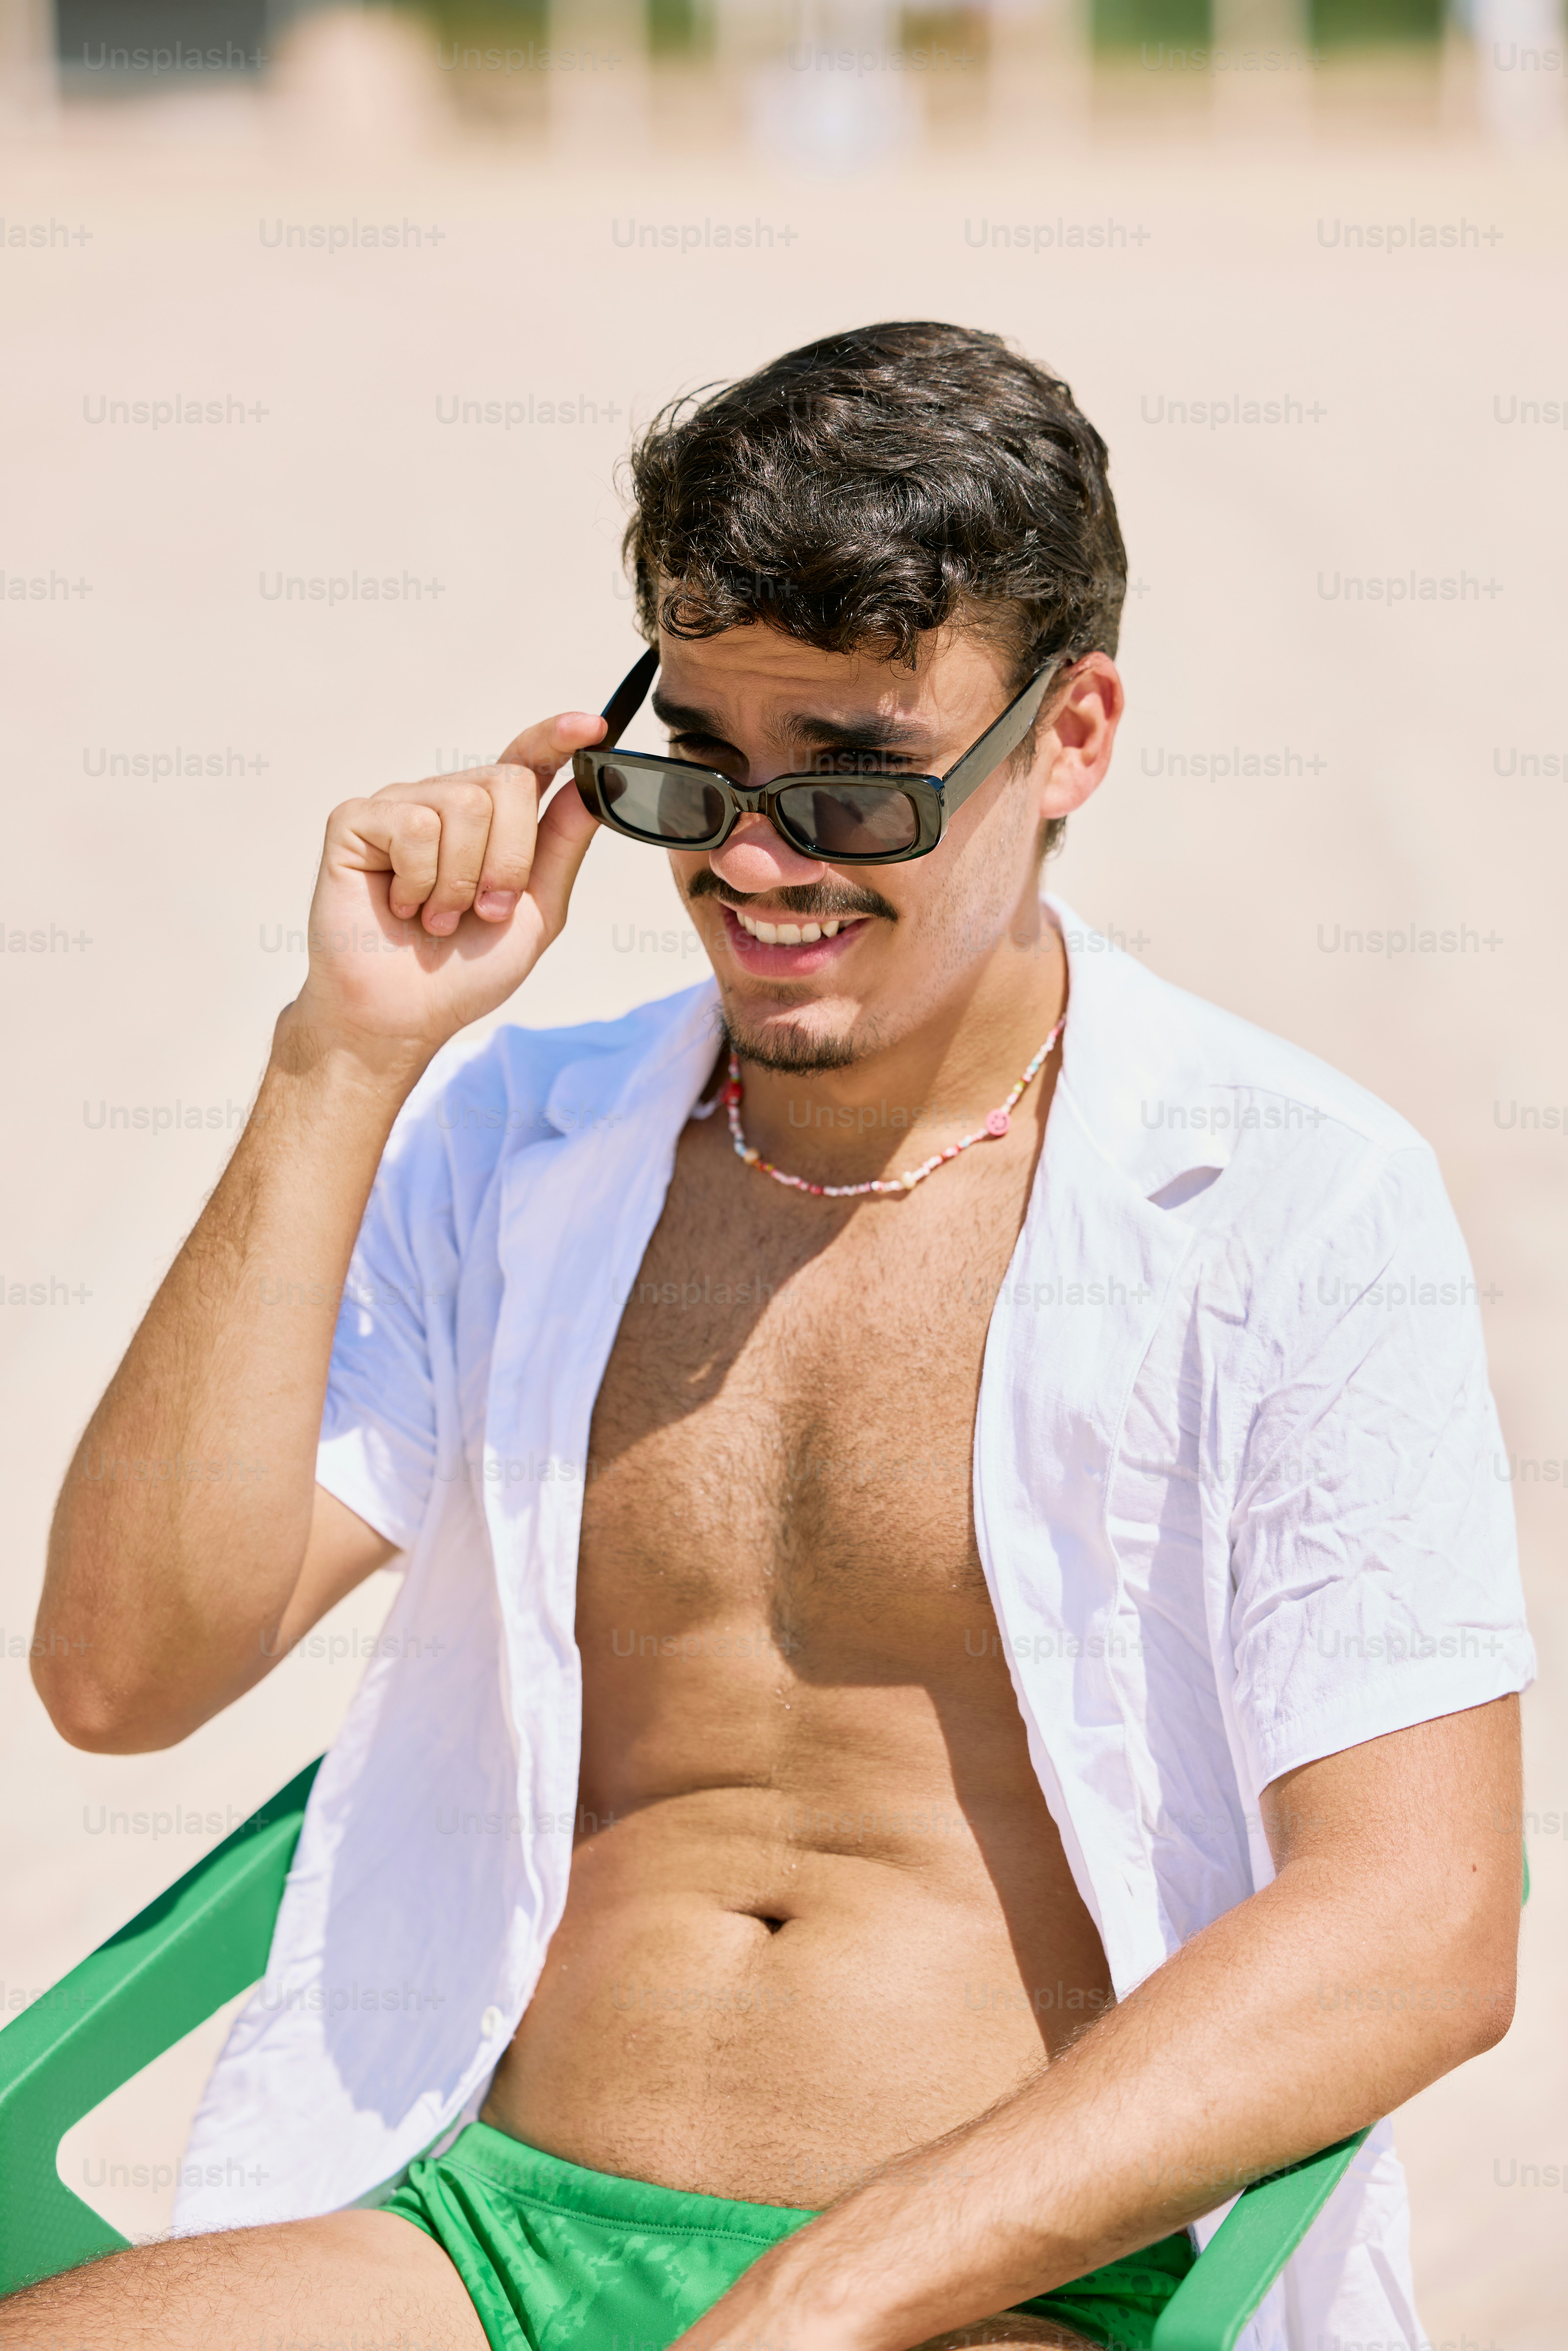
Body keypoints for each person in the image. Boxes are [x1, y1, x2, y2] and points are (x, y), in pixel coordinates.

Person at [17, 322, 1531, 2351]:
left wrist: (825, 2298)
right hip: (497, 2234)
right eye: (698, 773)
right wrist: (342, 1056)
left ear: (1070, 737)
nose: (755, 860)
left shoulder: (1293, 1195)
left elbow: (1421, 1925)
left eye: (857, 785)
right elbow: (124, 1669)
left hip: (1014, 2289)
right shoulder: (517, 1135)